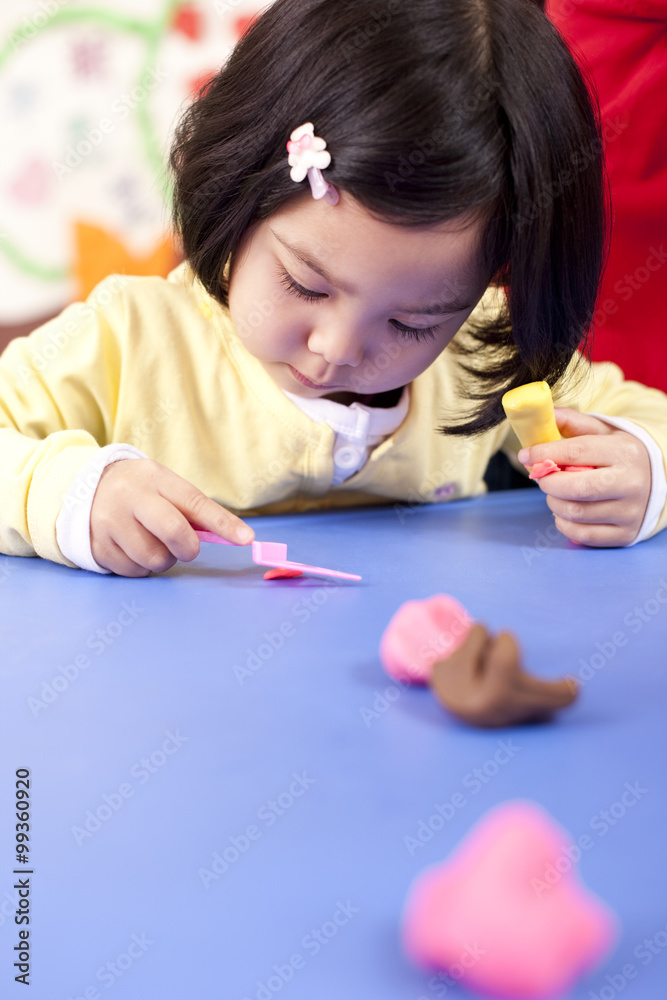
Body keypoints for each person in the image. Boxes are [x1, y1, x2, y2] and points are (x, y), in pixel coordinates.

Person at [1, 0, 666, 579]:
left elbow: (645, 421)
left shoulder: (480, 354)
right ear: (234, 197)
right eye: (303, 283)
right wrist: (70, 496)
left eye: (411, 324)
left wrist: (642, 470)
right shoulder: (126, 341)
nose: (337, 348)